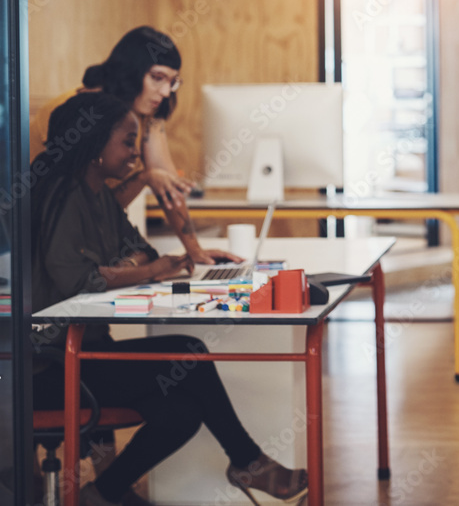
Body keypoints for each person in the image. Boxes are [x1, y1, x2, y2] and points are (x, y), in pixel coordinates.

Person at [31, 93, 307, 506]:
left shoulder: (97, 194)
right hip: (48, 370)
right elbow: (79, 281)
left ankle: (99, 495)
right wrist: (147, 271)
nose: (135, 154)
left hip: (84, 355)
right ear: (93, 148)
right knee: (189, 353)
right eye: (127, 142)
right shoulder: (64, 195)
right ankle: (248, 463)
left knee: (179, 413)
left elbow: (140, 248)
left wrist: (133, 268)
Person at [29, 26, 239, 265]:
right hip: (49, 243)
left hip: (93, 237)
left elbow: (169, 189)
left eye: (172, 81)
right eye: (157, 78)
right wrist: (144, 177)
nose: (166, 91)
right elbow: (82, 210)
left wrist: (195, 251)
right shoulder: (73, 112)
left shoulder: (146, 116)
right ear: (129, 72)